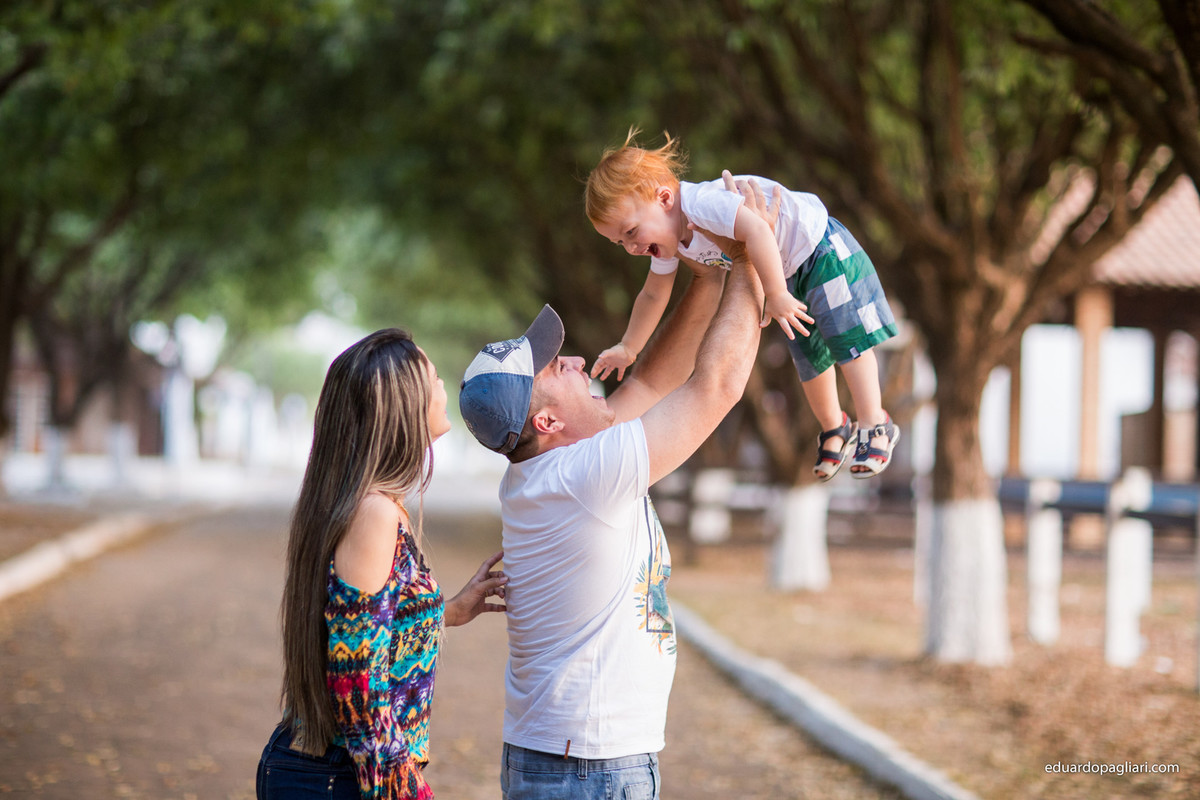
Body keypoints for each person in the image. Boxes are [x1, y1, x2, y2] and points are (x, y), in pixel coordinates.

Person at [457, 174, 770, 799]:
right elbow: (716, 387)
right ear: (546, 422)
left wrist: (703, 269)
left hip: (573, 759)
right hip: (587, 770)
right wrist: (749, 260)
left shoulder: (555, 468)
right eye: (555, 367)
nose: (575, 359)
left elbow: (654, 383)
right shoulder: (580, 477)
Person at [256, 328, 509, 800]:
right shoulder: (373, 513)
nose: (441, 388)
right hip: (336, 777)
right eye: (432, 379)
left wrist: (446, 610)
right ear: (403, 404)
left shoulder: (377, 505)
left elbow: (369, 630)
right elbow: (357, 679)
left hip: (335, 772)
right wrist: (401, 787)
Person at [585, 129, 901, 479]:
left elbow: (758, 231)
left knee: (847, 341)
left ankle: (875, 422)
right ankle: (834, 425)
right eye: (619, 242)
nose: (630, 248)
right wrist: (629, 348)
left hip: (818, 249)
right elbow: (653, 293)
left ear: (664, 199)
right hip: (786, 274)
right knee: (809, 359)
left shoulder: (702, 205)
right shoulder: (671, 239)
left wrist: (776, 293)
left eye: (630, 232)